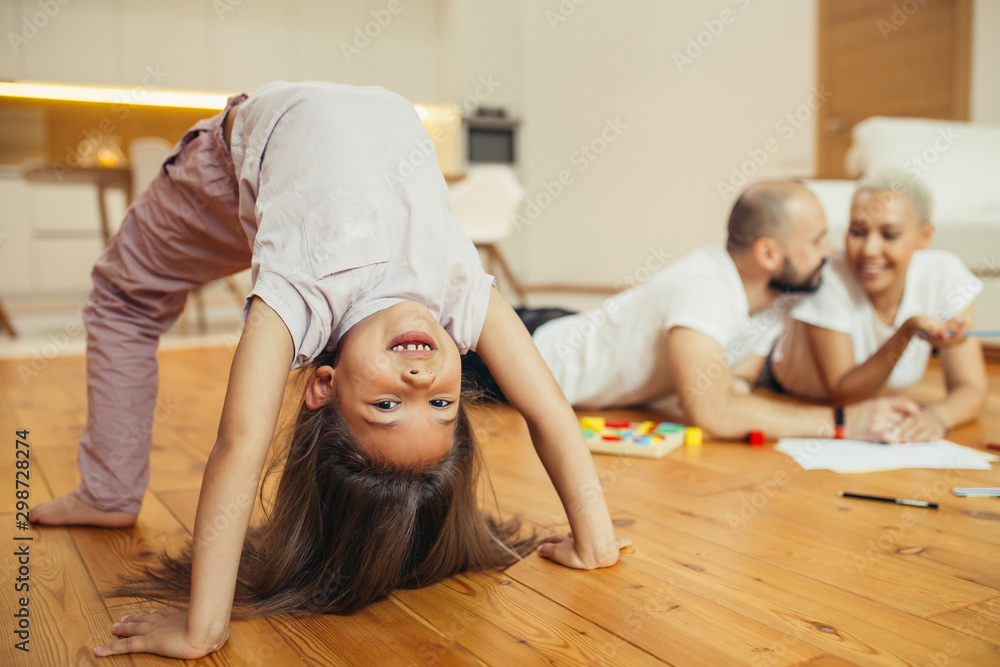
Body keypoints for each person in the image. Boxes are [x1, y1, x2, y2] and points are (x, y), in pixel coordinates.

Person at [26, 81, 628, 660]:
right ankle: (108, 490)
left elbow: (240, 444)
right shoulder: (457, 287)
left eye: (386, 407)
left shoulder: (302, 289)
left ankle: (107, 491)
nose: (419, 384)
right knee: (128, 296)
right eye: (443, 406)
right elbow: (546, 407)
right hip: (258, 176)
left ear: (323, 383)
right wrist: (593, 538)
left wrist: (202, 627)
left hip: (245, 164)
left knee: (124, 297)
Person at [464, 180, 919, 441]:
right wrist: (842, 422)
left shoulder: (778, 293)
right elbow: (714, 412)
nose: (831, 250)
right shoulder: (704, 289)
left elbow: (733, 382)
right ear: (767, 254)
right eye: (818, 239)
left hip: (570, 326)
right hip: (525, 355)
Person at [769, 170, 987, 442]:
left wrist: (937, 416)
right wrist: (906, 332)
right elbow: (844, 393)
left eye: (890, 234)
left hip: (868, 407)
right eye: (857, 232)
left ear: (925, 236)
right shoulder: (829, 275)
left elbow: (971, 388)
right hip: (784, 388)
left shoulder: (945, 273)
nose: (870, 249)